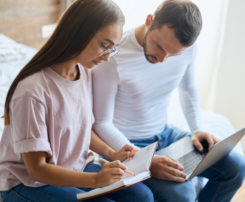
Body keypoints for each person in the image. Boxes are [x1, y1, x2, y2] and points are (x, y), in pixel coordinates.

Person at [92, 0, 245, 201]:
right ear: (149, 21)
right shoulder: (113, 58)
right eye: (159, 46)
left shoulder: (187, 48)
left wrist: (197, 129)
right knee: (183, 196)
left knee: (237, 167)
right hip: (129, 145)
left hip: (166, 134)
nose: (163, 59)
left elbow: (188, 89)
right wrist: (144, 160)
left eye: (173, 54)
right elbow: (101, 123)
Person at [0, 0, 154, 202]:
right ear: (78, 32)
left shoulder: (82, 71)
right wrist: (96, 180)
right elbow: (37, 170)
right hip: (28, 182)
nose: (106, 58)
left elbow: (78, 128)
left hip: (74, 165)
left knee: (143, 197)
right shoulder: (32, 91)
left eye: (112, 49)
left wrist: (112, 153)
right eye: (104, 46)